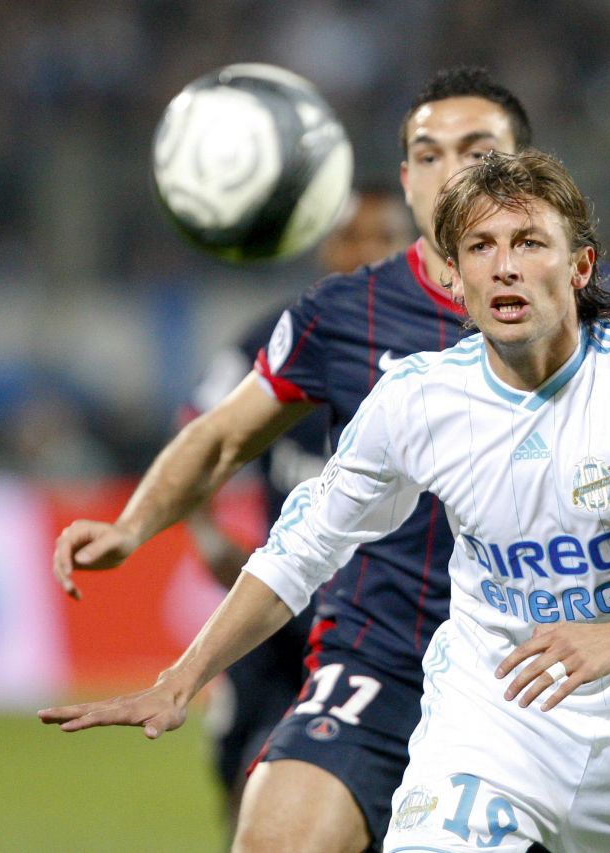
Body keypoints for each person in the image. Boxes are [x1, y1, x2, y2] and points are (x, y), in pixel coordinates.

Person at [41, 149, 610, 852]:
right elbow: (301, 548)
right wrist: (181, 678)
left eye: (529, 243)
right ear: (452, 276)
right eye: (481, 247)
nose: (505, 267)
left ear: (581, 267)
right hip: (492, 729)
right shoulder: (419, 398)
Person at [183, 184, 414, 832]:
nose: (361, 253)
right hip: (278, 615)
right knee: (246, 781)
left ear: (408, 250)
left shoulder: (445, 349)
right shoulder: (279, 340)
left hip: (386, 628)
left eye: (378, 237)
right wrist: (205, 532)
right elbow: (198, 435)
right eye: (346, 237)